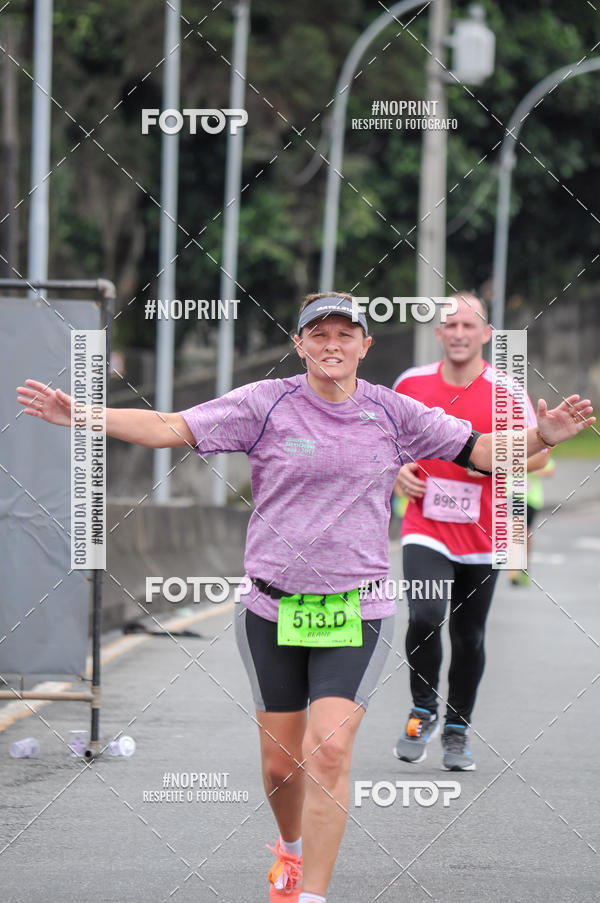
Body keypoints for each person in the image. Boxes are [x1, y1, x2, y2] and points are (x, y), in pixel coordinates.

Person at [16, 292, 593, 902]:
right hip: (271, 607)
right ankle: (289, 850)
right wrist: (81, 413)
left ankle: (311, 895)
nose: (333, 345)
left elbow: (478, 451)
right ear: (300, 344)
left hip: (357, 608)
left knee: (331, 749)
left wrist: (540, 437)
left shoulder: (394, 411)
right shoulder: (265, 404)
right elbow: (172, 428)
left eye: (347, 335)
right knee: (279, 768)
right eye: (319, 335)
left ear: (365, 347)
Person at [392, 293, 560, 772]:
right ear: (439, 333)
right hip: (425, 524)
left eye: (470, 325)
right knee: (425, 615)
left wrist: (494, 467)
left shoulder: (507, 391)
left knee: (470, 636)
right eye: (452, 325)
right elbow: (384, 441)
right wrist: (396, 471)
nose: (460, 333)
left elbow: (541, 455)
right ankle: (422, 708)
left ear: (487, 334)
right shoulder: (412, 384)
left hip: (486, 531)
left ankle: (457, 729)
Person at [509, 454, 555, 587]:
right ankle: (513, 572)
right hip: (512, 497)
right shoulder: (510, 448)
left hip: (531, 499)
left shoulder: (537, 450)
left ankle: (524, 566)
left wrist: (528, 468)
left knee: (525, 534)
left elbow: (549, 470)